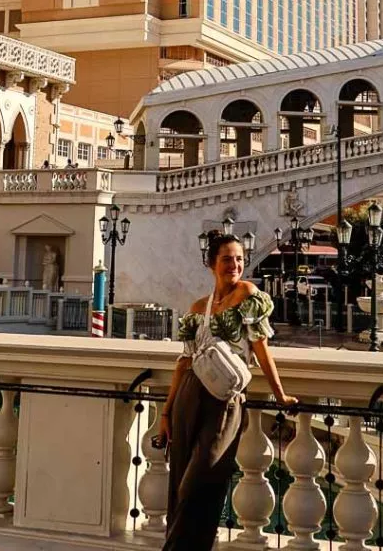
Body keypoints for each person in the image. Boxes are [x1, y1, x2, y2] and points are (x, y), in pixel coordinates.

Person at [157, 230, 297, 551]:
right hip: (189, 394)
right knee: (179, 481)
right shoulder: (197, 308)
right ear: (211, 264)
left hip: (225, 399)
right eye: (226, 259)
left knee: (202, 479)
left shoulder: (249, 296)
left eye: (239, 259)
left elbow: (261, 349)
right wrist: (166, 412)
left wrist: (280, 395)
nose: (233, 265)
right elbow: (183, 362)